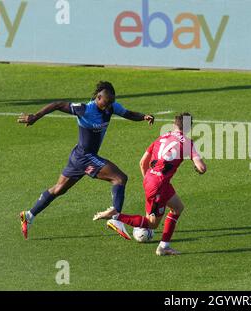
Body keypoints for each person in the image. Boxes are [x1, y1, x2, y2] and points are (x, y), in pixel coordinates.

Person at [17, 81, 155, 239]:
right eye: (106, 102)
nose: (109, 105)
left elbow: (128, 113)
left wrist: (143, 116)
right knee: (120, 178)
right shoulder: (85, 109)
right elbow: (57, 104)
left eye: (111, 102)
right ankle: (116, 218)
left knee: (59, 189)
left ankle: (28, 215)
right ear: (98, 97)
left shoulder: (111, 107)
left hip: (78, 156)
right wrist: (35, 116)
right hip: (85, 157)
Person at [93, 112, 207, 256]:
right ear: (188, 127)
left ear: (174, 124)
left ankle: (164, 247)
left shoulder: (161, 138)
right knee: (152, 224)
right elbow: (202, 168)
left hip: (153, 180)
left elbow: (142, 162)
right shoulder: (187, 142)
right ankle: (115, 216)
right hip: (158, 185)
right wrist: (199, 167)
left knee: (178, 208)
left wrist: (149, 180)